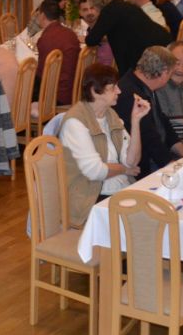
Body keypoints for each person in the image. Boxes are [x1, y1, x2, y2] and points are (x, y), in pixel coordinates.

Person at [58, 64, 150, 228]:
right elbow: (95, 171)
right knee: (144, 223)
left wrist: (136, 121)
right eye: (113, 87)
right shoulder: (75, 122)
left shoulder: (110, 115)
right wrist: (124, 170)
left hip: (117, 189)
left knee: (155, 213)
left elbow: (131, 162)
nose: (119, 91)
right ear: (95, 91)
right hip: (89, 197)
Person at [114, 46, 183, 173]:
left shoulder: (145, 86)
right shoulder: (130, 94)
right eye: (170, 73)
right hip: (141, 166)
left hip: (156, 156)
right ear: (164, 73)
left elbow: (163, 122)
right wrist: (173, 169)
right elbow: (149, 138)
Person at [84, 0, 170, 76]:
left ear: (95, 4)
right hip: (162, 43)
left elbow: (91, 40)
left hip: (151, 52)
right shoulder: (124, 5)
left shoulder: (108, 11)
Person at [34, 0, 81, 107]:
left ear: (42, 15)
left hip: (57, 95)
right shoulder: (70, 33)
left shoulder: (46, 38)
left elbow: (42, 73)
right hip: (74, 89)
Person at [78, 0, 115, 68]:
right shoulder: (90, 30)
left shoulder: (106, 28)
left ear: (98, 10)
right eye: (85, 10)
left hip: (106, 70)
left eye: (92, 8)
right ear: (80, 13)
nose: (89, 12)